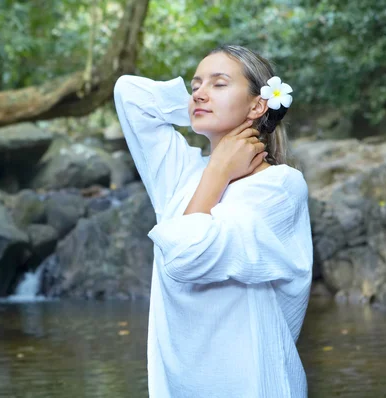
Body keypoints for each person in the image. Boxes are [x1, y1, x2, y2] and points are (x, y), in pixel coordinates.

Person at [113, 45, 313, 397]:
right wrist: (199, 113)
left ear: (257, 104)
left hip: (253, 383)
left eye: (219, 84)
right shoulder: (181, 174)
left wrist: (219, 169)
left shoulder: (279, 187)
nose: (201, 93)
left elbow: (188, 257)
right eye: (195, 87)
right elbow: (129, 93)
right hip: (181, 387)